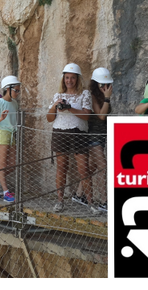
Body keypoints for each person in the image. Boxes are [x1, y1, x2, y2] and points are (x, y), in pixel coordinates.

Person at [46, 63, 94, 213]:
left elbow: (87, 116)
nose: (69, 81)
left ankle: (91, 203)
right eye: (67, 77)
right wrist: (55, 106)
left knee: (83, 169)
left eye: (72, 78)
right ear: (63, 79)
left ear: (77, 79)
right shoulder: (57, 96)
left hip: (78, 133)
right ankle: (60, 201)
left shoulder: (84, 94)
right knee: (61, 168)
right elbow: (49, 118)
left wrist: (69, 108)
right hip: (60, 132)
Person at [74, 67, 113, 212]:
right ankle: (104, 201)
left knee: (91, 167)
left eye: (107, 84)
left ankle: (79, 195)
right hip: (92, 136)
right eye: (102, 84)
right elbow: (101, 116)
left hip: (101, 136)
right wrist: (108, 97)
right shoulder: (92, 95)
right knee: (103, 166)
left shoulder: (102, 95)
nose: (105, 87)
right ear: (95, 83)